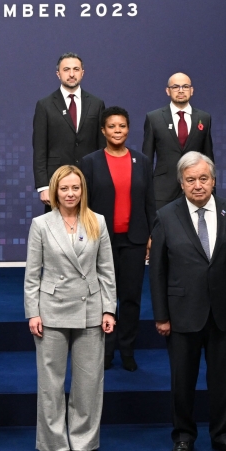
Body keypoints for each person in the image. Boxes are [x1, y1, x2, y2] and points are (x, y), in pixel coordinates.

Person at [151, 152, 226, 451]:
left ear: (214, 180)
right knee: (182, 381)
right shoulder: (166, 216)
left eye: (203, 178)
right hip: (182, 313)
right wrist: (161, 316)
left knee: (223, 380)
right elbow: (157, 271)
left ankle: (223, 434)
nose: (198, 185)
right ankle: (183, 435)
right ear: (181, 183)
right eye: (191, 180)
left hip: (224, 311)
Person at [24, 165, 116, 451]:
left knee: (88, 382)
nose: (70, 193)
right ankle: (53, 442)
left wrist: (109, 309)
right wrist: (32, 313)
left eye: (75, 188)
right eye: (64, 188)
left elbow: (106, 271)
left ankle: (83, 440)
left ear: (83, 190)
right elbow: (32, 275)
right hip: (51, 310)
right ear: (54, 191)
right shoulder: (41, 224)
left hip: (90, 308)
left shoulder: (97, 222)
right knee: (50, 383)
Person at [80, 106, 156, 371]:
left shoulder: (142, 161)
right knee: (102, 298)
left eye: (122, 126)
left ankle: (127, 349)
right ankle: (106, 351)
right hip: (102, 240)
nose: (117, 131)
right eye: (112, 126)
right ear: (103, 130)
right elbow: (83, 203)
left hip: (134, 239)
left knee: (131, 296)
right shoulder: (90, 162)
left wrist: (150, 235)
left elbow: (149, 201)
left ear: (128, 129)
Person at [32, 53, 106, 209]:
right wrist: (43, 186)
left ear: (82, 73)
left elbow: (101, 148)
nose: (71, 74)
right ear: (58, 73)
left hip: (89, 183)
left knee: (89, 231)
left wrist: (101, 181)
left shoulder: (96, 104)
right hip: (57, 184)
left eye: (76, 69)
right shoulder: (45, 105)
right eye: (66, 69)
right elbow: (39, 149)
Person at [142, 73, 214, 209]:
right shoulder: (154, 118)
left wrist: (211, 191)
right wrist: (146, 192)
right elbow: (147, 159)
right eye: (176, 87)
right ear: (167, 91)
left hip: (196, 189)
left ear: (192, 91)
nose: (181, 90)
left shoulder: (204, 118)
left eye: (185, 86)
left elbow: (208, 156)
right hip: (162, 190)